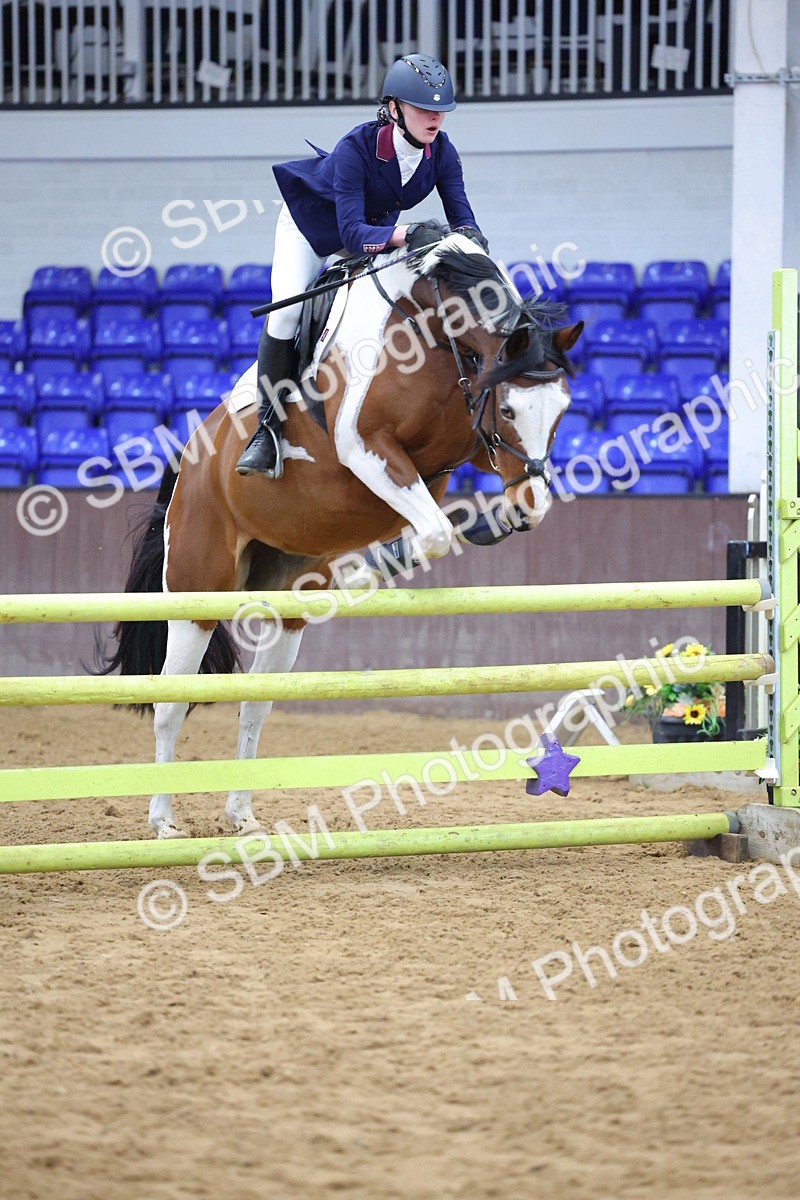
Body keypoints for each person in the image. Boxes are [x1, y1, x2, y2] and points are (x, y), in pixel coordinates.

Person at [236, 52, 486, 478]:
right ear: (394, 109)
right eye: (422, 109)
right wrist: (408, 233)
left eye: (441, 110)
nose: (435, 118)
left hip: (373, 232)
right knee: (287, 313)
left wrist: (472, 241)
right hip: (311, 229)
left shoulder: (442, 152)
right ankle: (267, 430)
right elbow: (351, 235)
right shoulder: (357, 147)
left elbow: (462, 216)